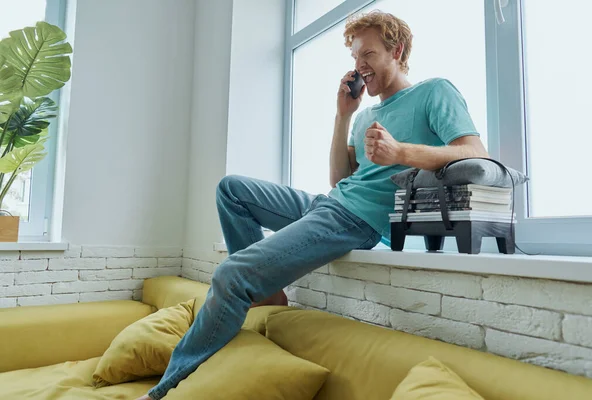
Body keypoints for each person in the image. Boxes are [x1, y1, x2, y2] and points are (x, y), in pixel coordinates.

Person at [137, 10, 488, 400]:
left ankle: (162, 391)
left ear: (397, 50)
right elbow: (340, 179)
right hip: (330, 204)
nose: (359, 67)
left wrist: (401, 151)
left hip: (358, 221)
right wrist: (343, 115)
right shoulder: (365, 114)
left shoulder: (433, 92)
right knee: (231, 189)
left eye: (367, 55)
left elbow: (474, 154)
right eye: (355, 58)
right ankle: (269, 294)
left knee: (234, 275)